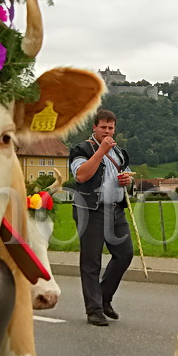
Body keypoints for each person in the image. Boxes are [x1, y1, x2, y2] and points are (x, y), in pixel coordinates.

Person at [69, 109, 134, 326]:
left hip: (116, 210)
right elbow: (81, 175)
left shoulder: (120, 153)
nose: (107, 131)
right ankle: (94, 310)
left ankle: (104, 298)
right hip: (90, 210)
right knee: (91, 261)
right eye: (103, 127)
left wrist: (127, 181)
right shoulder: (81, 149)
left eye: (111, 128)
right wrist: (100, 152)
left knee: (125, 254)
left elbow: (128, 176)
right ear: (94, 127)